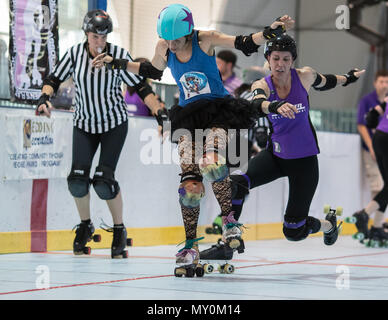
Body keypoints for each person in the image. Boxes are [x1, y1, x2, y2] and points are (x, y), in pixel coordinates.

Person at [91, 4, 293, 276]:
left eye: (177, 40)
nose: (172, 45)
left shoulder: (204, 38)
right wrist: (116, 63)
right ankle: (189, 246)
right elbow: (152, 70)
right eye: (168, 40)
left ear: (187, 33)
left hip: (218, 112)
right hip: (187, 117)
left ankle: (229, 222)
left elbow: (241, 42)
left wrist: (268, 33)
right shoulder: (164, 45)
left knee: (211, 162)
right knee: (190, 186)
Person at [200, 34, 365, 260]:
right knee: (236, 184)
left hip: (305, 163)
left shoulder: (305, 76)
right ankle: (228, 242)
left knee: (293, 231)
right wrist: (275, 106)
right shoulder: (262, 84)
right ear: (268, 59)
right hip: (276, 157)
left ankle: (328, 225)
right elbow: (257, 104)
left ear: (292, 61)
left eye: (286, 59)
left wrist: (348, 78)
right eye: (275, 58)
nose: (280, 64)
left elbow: (327, 81)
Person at [35, 9, 165, 258]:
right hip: (84, 124)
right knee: (77, 180)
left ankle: (119, 229)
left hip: (113, 125)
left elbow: (140, 86)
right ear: (87, 34)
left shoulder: (117, 55)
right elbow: (54, 78)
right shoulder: (74, 53)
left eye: (104, 37)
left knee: (104, 182)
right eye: (95, 37)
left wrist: (159, 112)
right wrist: (44, 97)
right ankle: (85, 226)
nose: (100, 42)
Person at [352, 93, 388, 247]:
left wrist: (377, 130)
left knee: (387, 186)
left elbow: (371, 116)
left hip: (379, 138)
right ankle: (364, 214)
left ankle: (377, 227)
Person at [357, 71, 388, 198]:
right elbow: (361, 125)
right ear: (375, 83)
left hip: (384, 147)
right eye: (381, 82)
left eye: (387, 82)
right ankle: (371, 216)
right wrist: (371, 147)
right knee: (378, 185)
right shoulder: (366, 101)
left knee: (385, 185)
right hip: (372, 148)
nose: (384, 85)